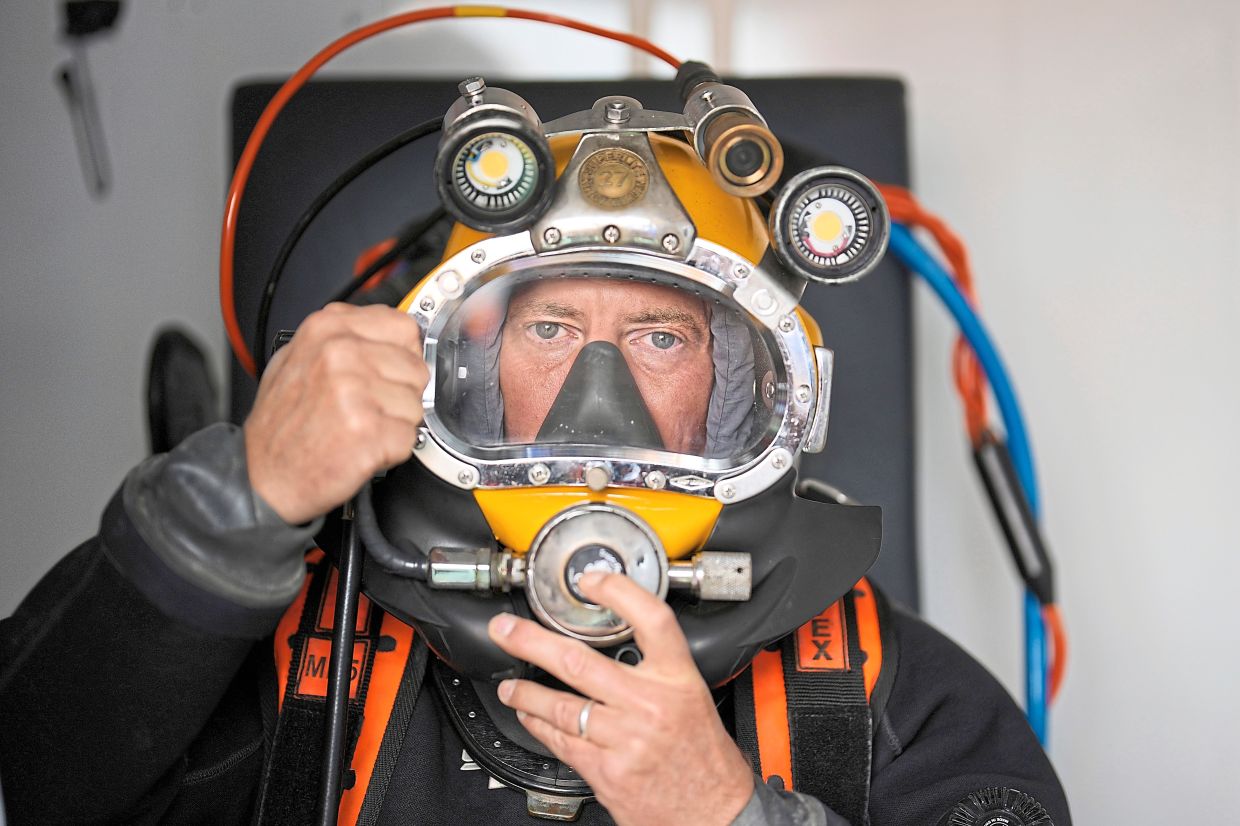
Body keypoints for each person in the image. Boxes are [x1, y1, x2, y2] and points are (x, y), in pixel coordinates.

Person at [0, 90, 1071, 826]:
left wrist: (727, 812)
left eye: (661, 337)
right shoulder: (316, 641)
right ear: (458, 366)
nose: (597, 401)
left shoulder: (871, 684)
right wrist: (246, 495)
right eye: (548, 328)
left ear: (754, 387)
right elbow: (44, 778)